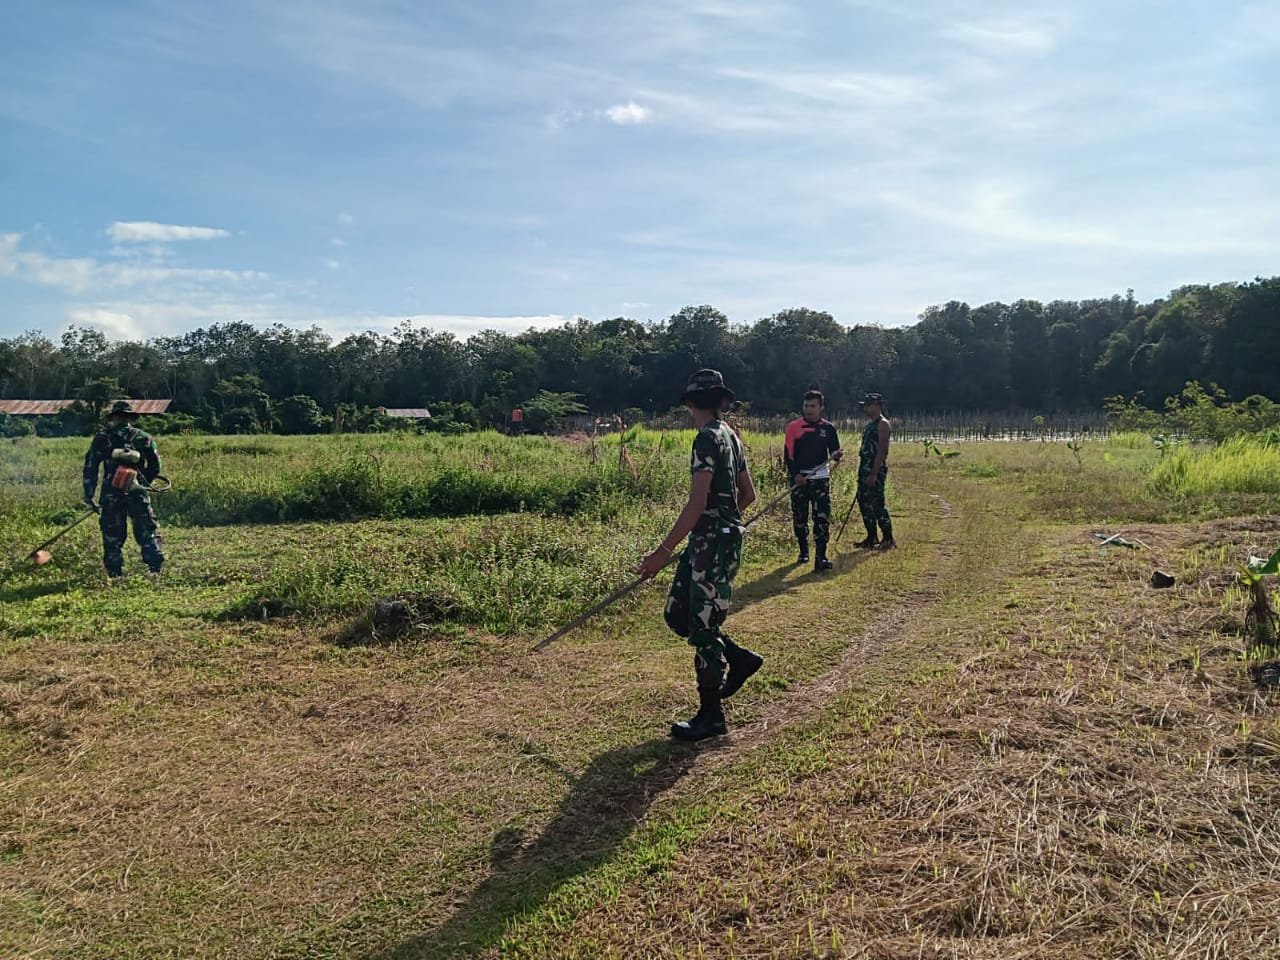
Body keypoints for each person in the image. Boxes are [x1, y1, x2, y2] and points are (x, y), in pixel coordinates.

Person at [638, 369, 763, 741]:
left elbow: (696, 503)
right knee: (679, 615)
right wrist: (725, 521)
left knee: (703, 630)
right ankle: (739, 659)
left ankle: (711, 716)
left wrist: (662, 552)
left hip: (712, 544)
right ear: (720, 400)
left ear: (691, 402)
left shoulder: (707, 439)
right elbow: (748, 495)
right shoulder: (731, 437)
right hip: (710, 541)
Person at [83, 400, 165, 578]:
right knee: (147, 531)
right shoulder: (144, 438)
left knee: (112, 535)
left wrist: (89, 494)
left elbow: (91, 467)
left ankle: (115, 573)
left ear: (113, 418)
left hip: (111, 494)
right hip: (138, 492)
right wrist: (143, 482)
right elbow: (156, 466)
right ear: (130, 418)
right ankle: (155, 569)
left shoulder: (102, 439)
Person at [783, 389, 843, 571]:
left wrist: (837, 455)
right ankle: (803, 551)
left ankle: (821, 557)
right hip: (799, 479)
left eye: (813, 406)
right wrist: (796, 475)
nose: (808, 409)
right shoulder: (794, 427)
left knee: (822, 518)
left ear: (821, 408)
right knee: (800, 517)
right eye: (806, 405)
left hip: (820, 478)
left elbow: (835, 452)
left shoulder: (828, 428)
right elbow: (788, 455)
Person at [855, 392, 895, 550]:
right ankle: (871, 537)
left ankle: (888, 538)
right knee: (864, 503)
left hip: (874, 471)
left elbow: (883, 451)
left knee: (877, 504)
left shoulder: (882, 424)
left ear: (877, 406)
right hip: (864, 469)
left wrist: (874, 473)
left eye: (868, 405)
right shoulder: (870, 425)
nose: (865, 408)